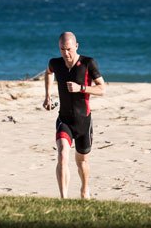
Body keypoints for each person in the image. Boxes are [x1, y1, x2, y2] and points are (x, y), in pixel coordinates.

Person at [43, 31, 106, 199]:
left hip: (84, 121)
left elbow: (102, 89)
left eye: (69, 49)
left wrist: (82, 88)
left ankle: (85, 190)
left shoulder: (88, 63)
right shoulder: (55, 63)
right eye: (62, 49)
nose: (66, 53)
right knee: (62, 154)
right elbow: (48, 72)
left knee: (82, 161)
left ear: (76, 46)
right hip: (64, 119)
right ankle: (63, 199)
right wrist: (48, 95)